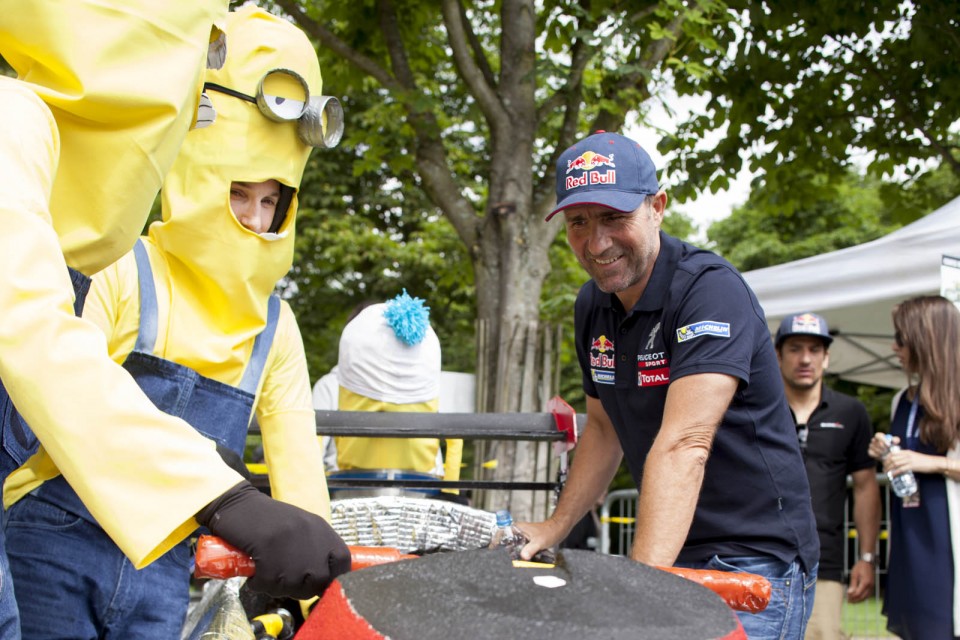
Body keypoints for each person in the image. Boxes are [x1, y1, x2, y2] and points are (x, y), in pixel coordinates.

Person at [0, 2, 348, 632]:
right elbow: (41, 367)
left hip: (169, 561)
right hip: (53, 542)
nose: (254, 217)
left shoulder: (277, 327)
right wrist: (217, 490)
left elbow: (299, 472)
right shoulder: (119, 267)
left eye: (271, 200)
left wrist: (307, 572)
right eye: (237, 192)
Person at [518, 130, 819, 639]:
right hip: (675, 548)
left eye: (615, 218)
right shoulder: (592, 304)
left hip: (752, 557)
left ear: (657, 207)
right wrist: (555, 526)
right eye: (578, 223)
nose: (597, 242)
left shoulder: (709, 290)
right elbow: (605, 430)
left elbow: (686, 445)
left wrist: (640, 589)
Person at [775, 312, 881, 640]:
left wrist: (866, 557)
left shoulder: (851, 413)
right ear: (777, 356)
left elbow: (865, 487)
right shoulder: (759, 408)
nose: (805, 358)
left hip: (823, 558)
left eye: (814, 349)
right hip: (759, 554)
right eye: (795, 348)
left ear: (826, 357)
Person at [867, 295, 960, 639]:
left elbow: (927, 461)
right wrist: (886, 451)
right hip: (910, 532)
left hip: (947, 540)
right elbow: (905, 457)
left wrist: (930, 462)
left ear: (927, 340)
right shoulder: (902, 400)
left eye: (901, 339)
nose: (894, 347)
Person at [325, 292, 464, 499]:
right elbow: (454, 438)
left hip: (352, 485)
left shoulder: (330, 385)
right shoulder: (428, 393)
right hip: (421, 485)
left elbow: (314, 433)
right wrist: (450, 490)